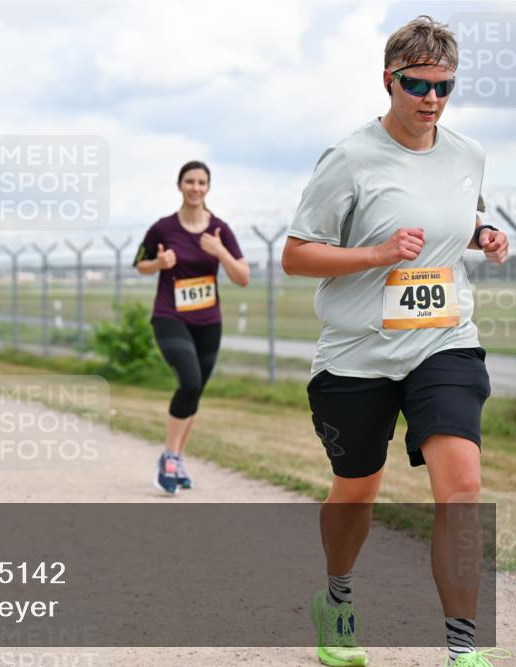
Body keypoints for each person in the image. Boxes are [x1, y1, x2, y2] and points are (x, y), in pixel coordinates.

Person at [281, 16, 510, 667]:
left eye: (444, 86)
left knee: (462, 484)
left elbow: (452, 219)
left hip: (444, 342)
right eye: (417, 85)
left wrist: (484, 236)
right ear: (390, 80)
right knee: (357, 488)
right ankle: (338, 596)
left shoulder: (466, 154)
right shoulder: (349, 159)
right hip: (357, 351)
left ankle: (463, 646)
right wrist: (376, 253)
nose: (431, 99)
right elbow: (296, 257)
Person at [133, 161, 249, 494]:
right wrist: (159, 264)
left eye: (202, 182)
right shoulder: (163, 228)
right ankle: (169, 457)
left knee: (195, 391)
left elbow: (243, 278)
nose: (196, 187)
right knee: (190, 381)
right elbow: (139, 264)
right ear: (179, 185)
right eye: (190, 181)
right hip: (170, 315)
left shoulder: (220, 230)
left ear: (208, 187)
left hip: (208, 321)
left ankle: (178, 457)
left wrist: (220, 252)